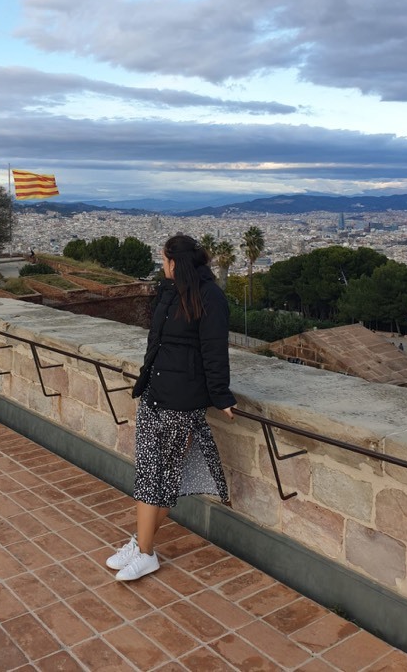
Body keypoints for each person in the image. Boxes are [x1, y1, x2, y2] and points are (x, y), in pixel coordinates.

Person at [106, 234, 236, 582]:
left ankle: (146, 552)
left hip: (181, 402)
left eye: (164, 259)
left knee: (156, 480)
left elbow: (214, 351)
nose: (162, 265)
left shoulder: (210, 298)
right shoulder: (168, 292)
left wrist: (221, 396)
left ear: (174, 262)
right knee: (152, 478)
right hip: (154, 394)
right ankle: (142, 544)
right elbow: (156, 343)